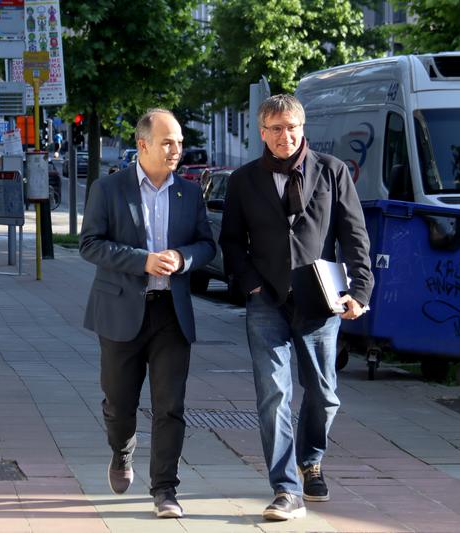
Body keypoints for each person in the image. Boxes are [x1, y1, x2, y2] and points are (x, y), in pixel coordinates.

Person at [219, 94, 374, 521]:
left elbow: (355, 237)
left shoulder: (332, 171)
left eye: (291, 127)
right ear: (261, 132)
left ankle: (311, 460)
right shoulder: (244, 180)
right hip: (266, 300)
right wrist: (248, 284)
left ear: (302, 128)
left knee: (324, 395)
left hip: (320, 301)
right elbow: (231, 241)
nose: (284, 136)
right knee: (274, 394)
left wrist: (358, 293)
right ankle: (285, 488)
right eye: (274, 129)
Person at [79, 109, 215, 519]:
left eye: (179, 143)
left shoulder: (189, 194)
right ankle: (121, 452)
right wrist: (143, 261)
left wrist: (182, 257)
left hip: (171, 313)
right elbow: (90, 245)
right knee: (120, 404)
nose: (176, 150)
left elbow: (207, 246)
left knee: (170, 405)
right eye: (167, 142)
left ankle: (165, 490)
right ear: (143, 145)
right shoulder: (109, 188)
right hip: (120, 311)